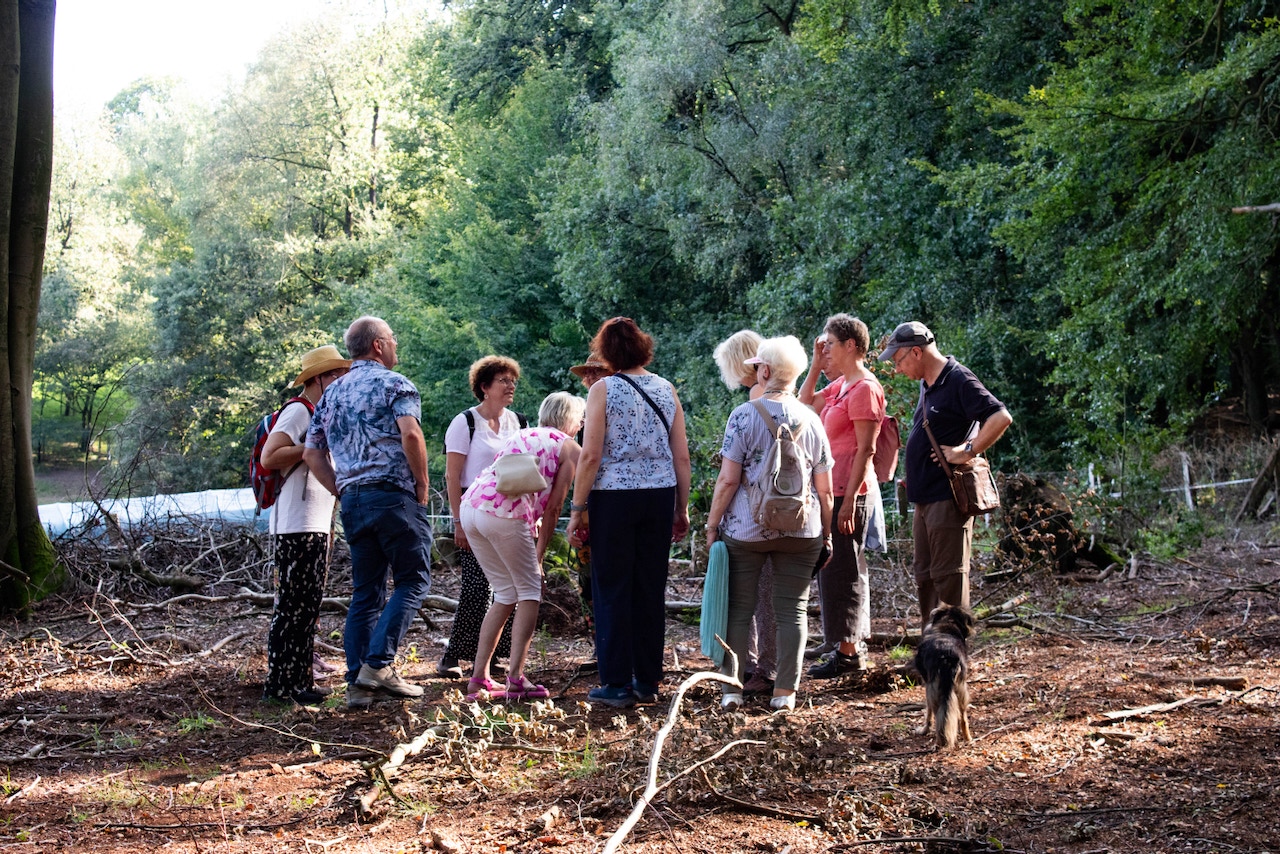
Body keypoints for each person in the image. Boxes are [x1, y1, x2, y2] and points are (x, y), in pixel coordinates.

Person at [303, 317, 435, 709]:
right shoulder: (395, 384)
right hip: (394, 495)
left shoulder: (331, 394)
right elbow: (411, 433)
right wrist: (422, 484)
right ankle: (377, 665)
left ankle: (358, 683)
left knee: (366, 591)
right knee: (414, 580)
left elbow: (311, 453)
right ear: (378, 345)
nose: (396, 345)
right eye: (392, 339)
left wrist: (341, 488)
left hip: (354, 503)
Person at [568, 317, 692, 708]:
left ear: (607, 353)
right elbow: (681, 455)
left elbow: (590, 455)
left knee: (612, 586)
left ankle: (617, 682)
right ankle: (647, 679)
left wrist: (577, 507)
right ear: (643, 346)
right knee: (650, 587)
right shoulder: (666, 388)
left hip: (614, 498)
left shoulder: (602, 389)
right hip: (659, 495)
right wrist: (682, 507)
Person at [705, 336, 834, 712]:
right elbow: (825, 490)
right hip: (802, 530)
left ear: (764, 371)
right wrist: (826, 534)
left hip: (747, 529)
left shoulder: (743, 416)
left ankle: (732, 689)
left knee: (739, 609)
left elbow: (728, 480)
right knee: (792, 610)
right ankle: (785, 693)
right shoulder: (812, 419)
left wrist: (712, 525)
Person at [879, 321, 1013, 627]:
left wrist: (967, 450)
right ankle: (932, 647)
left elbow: (1000, 417)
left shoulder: (958, 378)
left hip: (947, 497)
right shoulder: (928, 384)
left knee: (948, 578)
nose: (897, 369)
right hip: (924, 498)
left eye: (899, 360)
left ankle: (952, 651)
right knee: (925, 577)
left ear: (916, 352)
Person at [460, 392, 586, 701]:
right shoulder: (570, 448)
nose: (581, 424)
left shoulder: (522, 433)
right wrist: (538, 557)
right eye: (580, 419)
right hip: (503, 515)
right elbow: (554, 508)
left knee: (505, 593)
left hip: (472, 507)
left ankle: (479, 678)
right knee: (530, 592)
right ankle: (515, 678)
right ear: (571, 420)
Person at [261, 345, 350, 705]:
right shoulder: (298, 411)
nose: (341, 380)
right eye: (335, 374)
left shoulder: (318, 413)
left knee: (307, 607)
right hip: (294, 524)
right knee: (292, 606)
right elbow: (270, 456)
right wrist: (311, 446)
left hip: (314, 523)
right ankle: (279, 686)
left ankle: (300, 682)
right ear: (317, 379)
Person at [798, 331, 889, 662]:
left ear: (851, 345)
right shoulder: (842, 385)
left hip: (849, 493)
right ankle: (838, 641)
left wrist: (850, 501)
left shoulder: (865, 388)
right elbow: (804, 404)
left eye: (830, 345)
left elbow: (866, 449)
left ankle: (849, 653)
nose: (826, 351)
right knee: (832, 567)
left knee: (845, 570)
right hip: (831, 492)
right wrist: (814, 363)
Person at [438, 356, 526, 679]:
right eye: (503, 380)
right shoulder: (465, 423)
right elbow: (452, 475)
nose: (510, 386)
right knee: (477, 587)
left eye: (512, 380)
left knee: (511, 587)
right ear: (485, 387)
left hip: (509, 512)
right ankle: (454, 655)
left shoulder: (518, 422)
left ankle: (496, 654)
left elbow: (525, 469)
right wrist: (457, 521)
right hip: (474, 512)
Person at [712, 329, 776, 695]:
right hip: (782, 515)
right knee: (771, 597)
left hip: (751, 517)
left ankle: (750, 667)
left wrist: (713, 520)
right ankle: (767, 667)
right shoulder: (787, 401)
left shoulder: (752, 403)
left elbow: (729, 476)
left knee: (748, 598)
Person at [567, 353, 615, 639]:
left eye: (598, 372)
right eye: (588, 373)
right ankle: (600, 644)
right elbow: (582, 468)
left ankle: (616, 645)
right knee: (588, 581)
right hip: (589, 508)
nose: (590, 377)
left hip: (612, 505)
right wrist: (578, 511)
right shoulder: (583, 422)